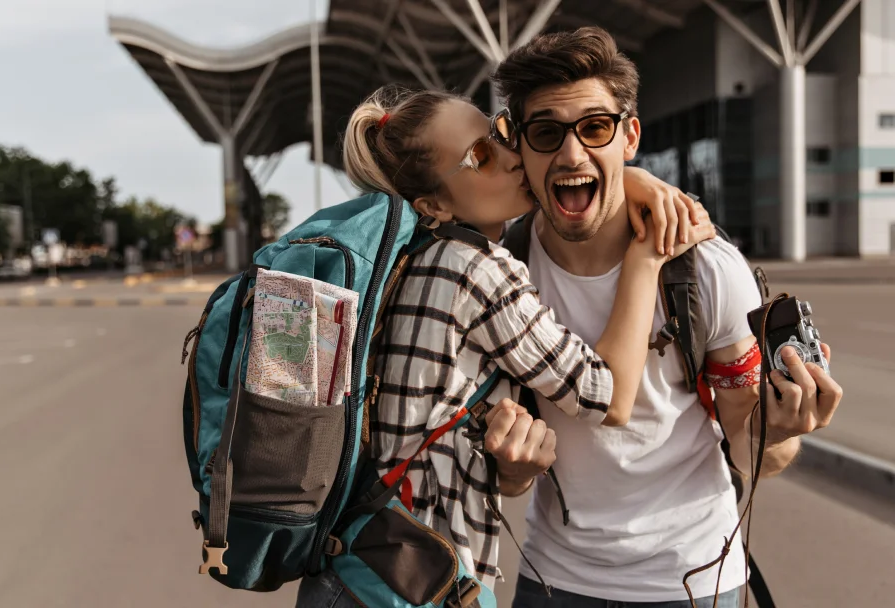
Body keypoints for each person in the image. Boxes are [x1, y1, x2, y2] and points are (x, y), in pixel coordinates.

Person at [294, 85, 715, 607]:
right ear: (434, 204)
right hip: (413, 584)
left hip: (356, 570)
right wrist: (647, 257)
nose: (512, 157)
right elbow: (606, 395)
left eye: (498, 134)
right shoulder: (476, 270)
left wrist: (630, 179)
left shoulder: (413, 259)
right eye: (481, 156)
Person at [483, 27, 845, 607]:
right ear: (520, 147)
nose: (571, 154)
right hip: (554, 578)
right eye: (547, 133)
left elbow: (752, 447)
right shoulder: (502, 275)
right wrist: (513, 466)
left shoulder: (706, 269)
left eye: (594, 128)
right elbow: (512, 479)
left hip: (693, 580)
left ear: (629, 136)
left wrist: (779, 431)